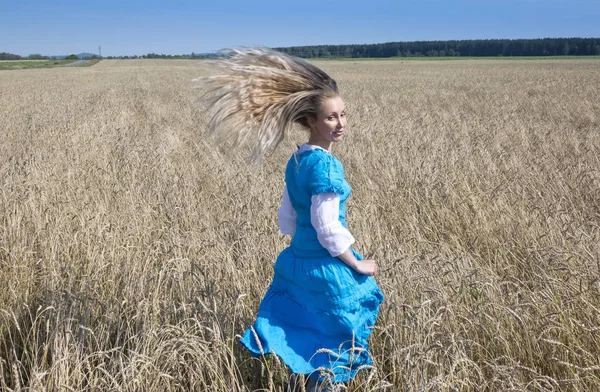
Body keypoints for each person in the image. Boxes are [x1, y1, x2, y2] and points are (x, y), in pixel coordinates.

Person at [198, 48, 384, 391]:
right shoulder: (326, 165)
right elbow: (327, 228)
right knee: (335, 351)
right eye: (331, 118)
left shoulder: (297, 160)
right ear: (311, 121)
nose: (341, 124)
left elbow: (287, 218)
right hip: (327, 269)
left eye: (343, 115)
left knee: (310, 340)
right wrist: (357, 265)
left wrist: (302, 247)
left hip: (297, 264)